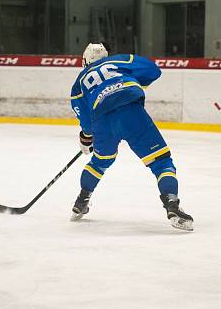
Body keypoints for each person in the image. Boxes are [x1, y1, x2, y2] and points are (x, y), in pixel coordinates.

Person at [69, 43, 193, 231]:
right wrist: (134, 79)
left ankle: (81, 200)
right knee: (161, 162)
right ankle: (172, 204)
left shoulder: (79, 83)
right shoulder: (120, 60)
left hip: (103, 122)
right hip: (131, 111)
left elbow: (86, 121)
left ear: (85, 61)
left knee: (100, 162)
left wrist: (86, 137)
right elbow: (153, 70)